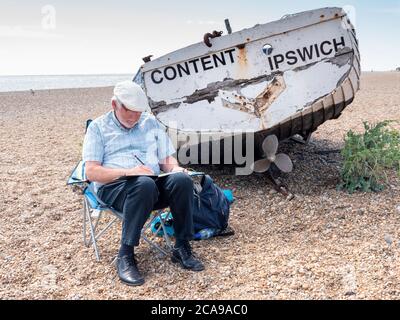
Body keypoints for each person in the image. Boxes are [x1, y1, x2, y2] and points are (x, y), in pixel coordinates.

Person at [82, 80, 204, 286]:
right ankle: (125, 255)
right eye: (129, 111)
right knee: (143, 184)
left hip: (151, 185)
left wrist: (175, 168)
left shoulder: (150, 122)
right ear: (114, 105)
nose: (134, 117)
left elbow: (166, 160)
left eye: (139, 112)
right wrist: (129, 172)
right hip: (116, 187)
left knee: (181, 180)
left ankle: (182, 246)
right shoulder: (98, 128)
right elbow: (91, 172)